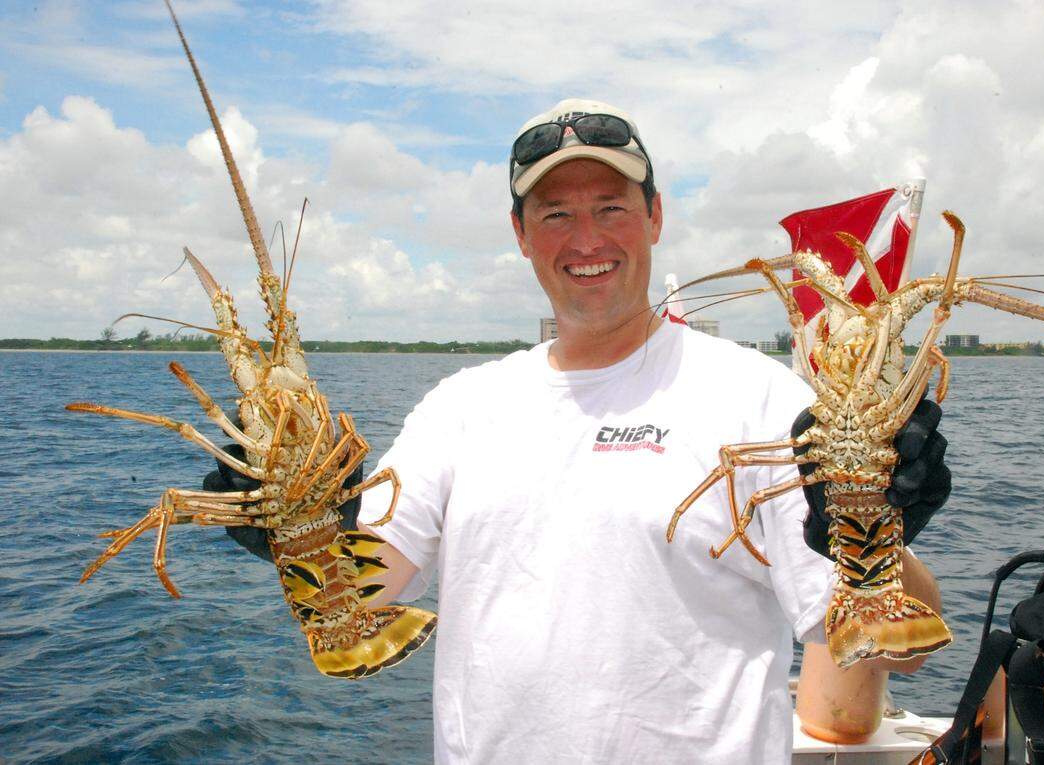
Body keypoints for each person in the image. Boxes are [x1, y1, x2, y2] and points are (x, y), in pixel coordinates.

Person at [214, 98, 949, 764]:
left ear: (656, 216)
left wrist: (885, 524)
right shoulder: (460, 406)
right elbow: (364, 593)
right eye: (556, 214)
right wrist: (293, 528)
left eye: (611, 207)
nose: (586, 237)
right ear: (521, 235)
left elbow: (895, 649)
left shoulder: (763, 397)